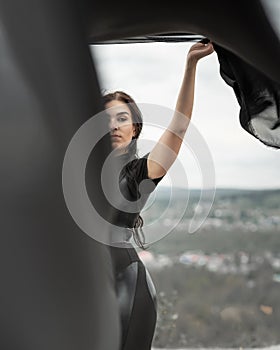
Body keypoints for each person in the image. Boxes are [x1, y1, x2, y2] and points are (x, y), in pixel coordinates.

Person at [101, 41, 214, 350]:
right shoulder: (69, 173)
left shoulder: (139, 172)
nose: (114, 126)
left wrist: (190, 67)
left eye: (122, 119)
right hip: (84, 287)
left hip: (127, 286)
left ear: (135, 129)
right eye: (106, 118)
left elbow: (177, 129)